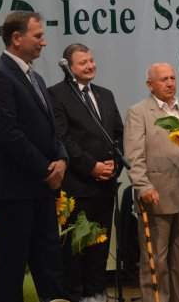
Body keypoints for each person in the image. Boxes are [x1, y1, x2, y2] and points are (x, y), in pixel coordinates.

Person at [0, 11, 68, 302]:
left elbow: (51, 130)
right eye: (38, 35)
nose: (44, 42)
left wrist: (62, 159)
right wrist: (46, 169)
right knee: (13, 268)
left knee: (49, 266)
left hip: (42, 190)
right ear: (17, 38)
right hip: (15, 190)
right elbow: (8, 134)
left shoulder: (36, 78)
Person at [48, 43, 124, 302]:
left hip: (105, 186)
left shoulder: (105, 94)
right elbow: (63, 138)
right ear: (69, 68)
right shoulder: (56, 95)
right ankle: (76, 296)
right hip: (77, 187)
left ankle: (97, 294)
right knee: (75, 250)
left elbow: (118, 134)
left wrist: (114, 165)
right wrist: (92, 167)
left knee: (99, 249)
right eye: (83, 63)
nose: (90, 66)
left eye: (91, 60)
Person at [125, 63, 179, 302]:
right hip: (156, 195)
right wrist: (143, 186)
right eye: (163, 79)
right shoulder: (139, 112)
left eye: (172, 78)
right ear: (150, 85)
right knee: (156, 260)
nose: (170, 83)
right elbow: (134, 156)